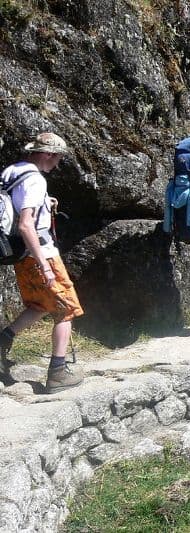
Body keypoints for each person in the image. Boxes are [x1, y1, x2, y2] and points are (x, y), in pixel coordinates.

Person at [0, 133, 84, 393]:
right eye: (57, 157)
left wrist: (45, 204)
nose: (57, 163)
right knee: (66, 309)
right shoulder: (35, 179)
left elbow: (16, 207)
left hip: (20, 255)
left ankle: (3, 341)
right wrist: (46, 266)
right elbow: (26, 224)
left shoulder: (12, 171)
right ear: (48, 154)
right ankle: (58, 372)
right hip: (41, 254)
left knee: (40, 304)